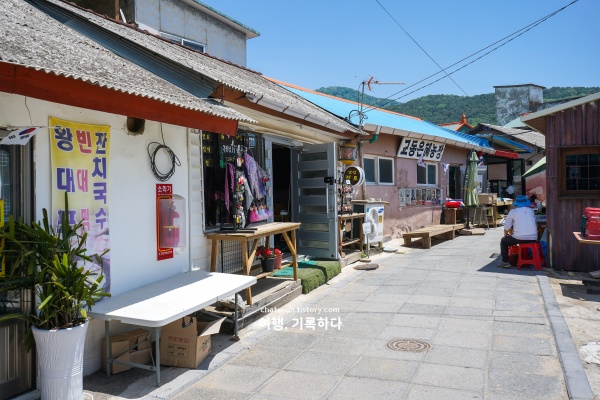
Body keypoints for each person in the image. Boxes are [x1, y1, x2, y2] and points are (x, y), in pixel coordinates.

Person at [498, 194, 538, 268]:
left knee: (503, 241)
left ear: (516, 203)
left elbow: (506, 227)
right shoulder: (531, 211)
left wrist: (505, 236)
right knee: (513, 238)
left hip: (519, 237)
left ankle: (505, 261)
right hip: (533, 238)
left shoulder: (513, 211)